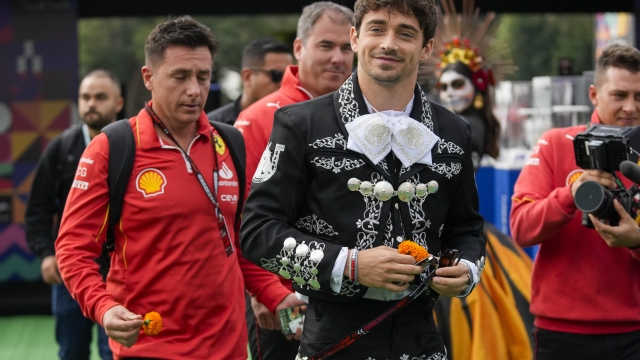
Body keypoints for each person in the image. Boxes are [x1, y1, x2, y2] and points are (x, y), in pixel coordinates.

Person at [240, 0, 486, 359]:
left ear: (427, 47)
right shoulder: (300, 124)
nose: (389, 43)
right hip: (332, 335)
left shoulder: (454, 131)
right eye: (376, 29)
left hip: (423, 337)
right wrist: (351, 265)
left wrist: (463, 268)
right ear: (355, 37)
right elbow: (257, 232)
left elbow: (467, 228)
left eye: (405, 33)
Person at [55, 17, 294, 360]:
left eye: (203, 76)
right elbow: (73, 248)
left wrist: (276, 294)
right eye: (180, 77)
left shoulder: (231, 144)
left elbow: (240, 241)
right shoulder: (113, 147)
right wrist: (103, 308)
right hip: (149, 347)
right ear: (148, 78)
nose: (195, 90)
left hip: (228, 349)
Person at [235, 3, 354, 360]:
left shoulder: (369, 119)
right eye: (325, 46)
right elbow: (241, 216)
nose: (337, 58)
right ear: (299, 48)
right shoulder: (258, 118)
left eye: (347, 48)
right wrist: (264, 292)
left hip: (353, 296)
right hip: (286, 298)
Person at [511, 43, 640, 360]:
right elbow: (521, 228)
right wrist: (572, 194)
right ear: (594, 94)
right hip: (562, 334)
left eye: (639, 97)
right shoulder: (556, 142)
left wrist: (637, 241)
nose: (631, 107)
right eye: (620, 95)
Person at [422, 2, 534, 358]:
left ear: (477, 85)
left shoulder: (467, 128)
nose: (450, 92)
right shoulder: (454, 123)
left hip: (454, 233)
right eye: (444, 85)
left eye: (458, 84)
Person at [25, 69, 123, 360]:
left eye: (100, 97)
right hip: (71, 269)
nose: (91, 103)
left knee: (116, 352)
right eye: (85, 97)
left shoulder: (132, 145)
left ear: (118, 103)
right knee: (71, 351)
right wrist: (46, 253)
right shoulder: (61, 148)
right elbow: (38, 208)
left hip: (120, 270)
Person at [207, 37, 293, 125]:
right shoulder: (213, 125)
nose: (284, 82)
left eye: (289, 76)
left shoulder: (295, 123)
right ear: (247, 77)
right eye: (277, 75)